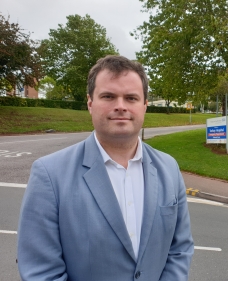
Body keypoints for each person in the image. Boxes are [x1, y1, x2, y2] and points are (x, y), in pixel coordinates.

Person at [17, 55, 194, 281]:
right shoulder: (49, 175)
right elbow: (41, 272)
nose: (120, 106)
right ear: (90, 103)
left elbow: (180, 249)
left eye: (131, 98)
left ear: (144, 105)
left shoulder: (169, 168)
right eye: (108, 96)